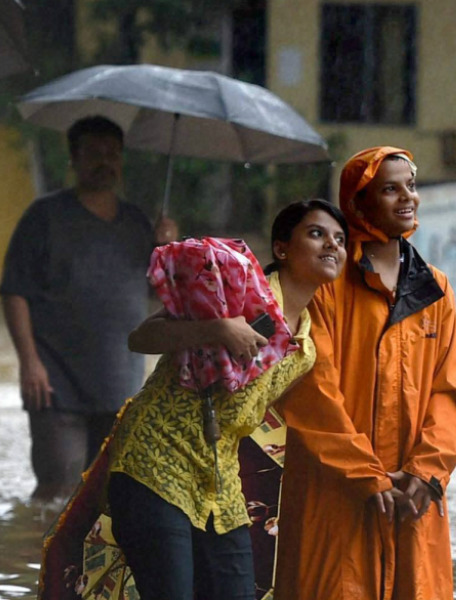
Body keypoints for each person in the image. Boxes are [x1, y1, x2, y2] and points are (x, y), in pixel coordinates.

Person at [103, 199, 349, 599]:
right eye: (317, 233)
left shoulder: (306, 350)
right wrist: (216, 328)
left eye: (339, 240)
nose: (331, 246)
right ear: (282, 248)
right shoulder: (235, 287)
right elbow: (140, 338)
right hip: (156, 463)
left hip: (220, 486)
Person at [274, 147, 456, 600]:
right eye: (390, 188)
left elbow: (452, 394)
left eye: (411, 185)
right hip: (335, 493)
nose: (408, 197)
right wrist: (364, 474)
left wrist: (426, 473)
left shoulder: (436, 289)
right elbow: (309, 389)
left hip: (412, 496)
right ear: (358, 203)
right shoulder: (327, 284)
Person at [0, 115, 178, 503]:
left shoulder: (137, 223)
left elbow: (166, 296)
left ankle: (84, 567)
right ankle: (39, 564)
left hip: (120, 382)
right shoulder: (43, 217)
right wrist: (29, 363)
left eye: (112, 154)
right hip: (55, 384)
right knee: (56, 491)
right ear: (74, 160)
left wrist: (169, 250)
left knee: (107, 495)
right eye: (94, 154)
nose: (105, 162)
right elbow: (14, 292)